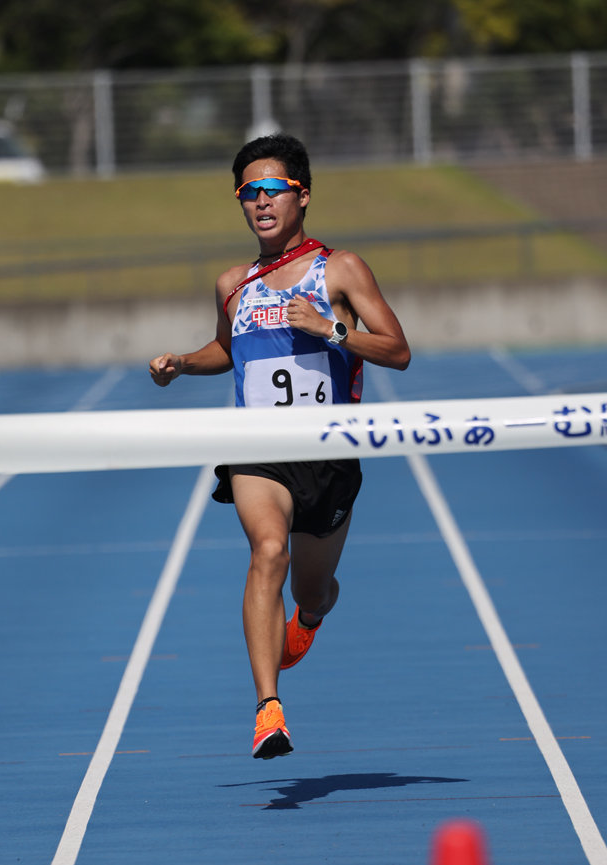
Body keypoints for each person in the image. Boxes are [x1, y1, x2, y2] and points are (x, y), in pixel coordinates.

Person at [150, 133, 410, 760]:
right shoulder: (233, 284)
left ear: (303, 196)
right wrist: (185, 362)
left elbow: (397, 350)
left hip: (329, 453)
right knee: (268, 550)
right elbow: (227, 349)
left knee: (313, 589)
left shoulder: (340, 269)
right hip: (257, 447)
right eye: (248, 192)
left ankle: (312, 618)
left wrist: (331, 328)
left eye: (272, 189)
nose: (259, 201)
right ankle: (268, 709)